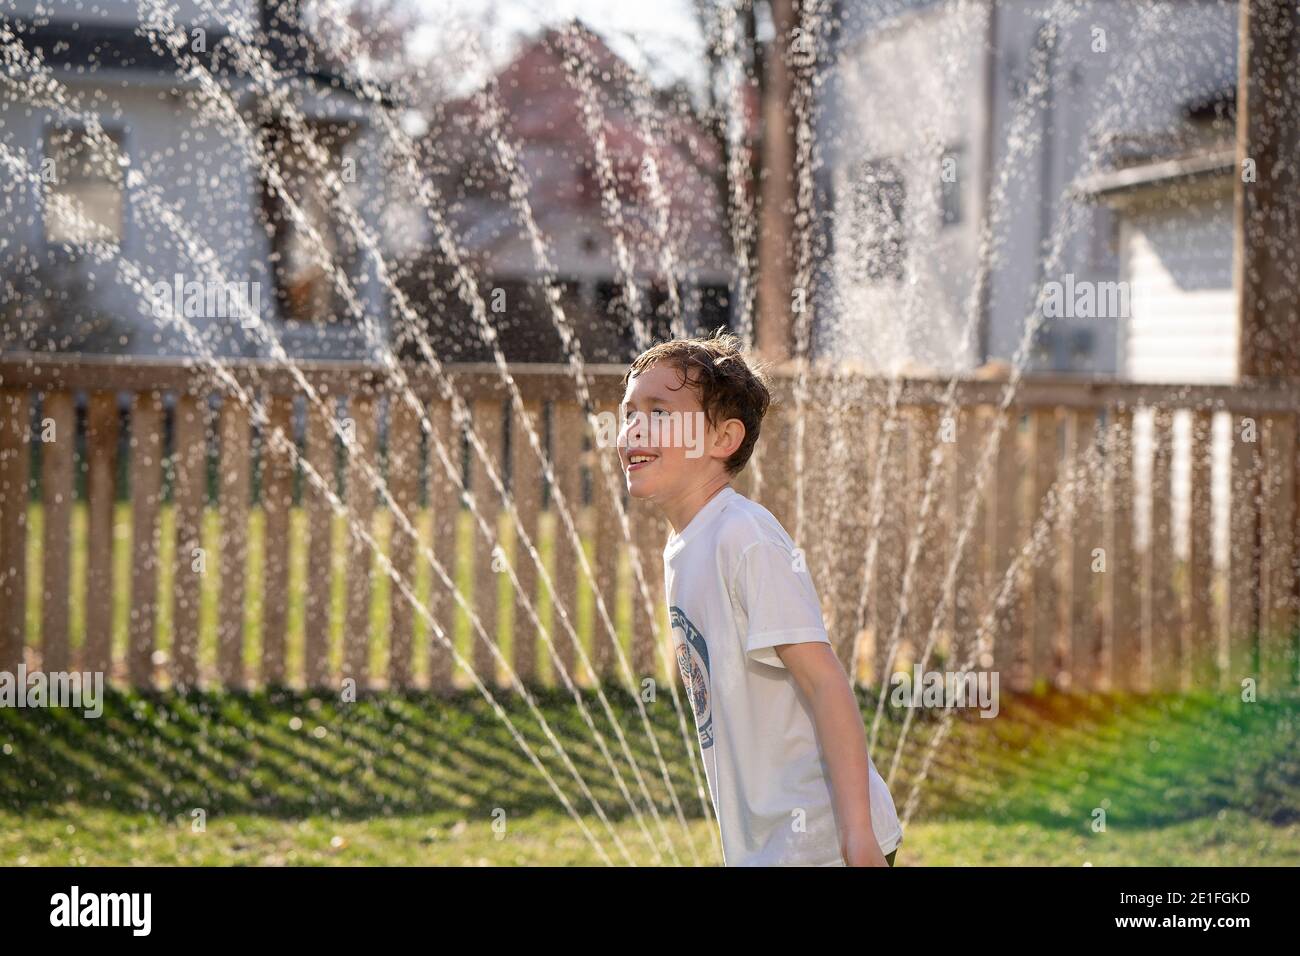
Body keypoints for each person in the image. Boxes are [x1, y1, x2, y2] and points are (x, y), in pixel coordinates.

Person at [617, 330, 903, 867]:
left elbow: (824, 683)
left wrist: (858, 834)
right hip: (769, 850)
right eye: (628, 410)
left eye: (658, 411)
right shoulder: (687, 544)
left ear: (723, 439)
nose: (633, 427)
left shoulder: (743, 538)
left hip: (824, 845)